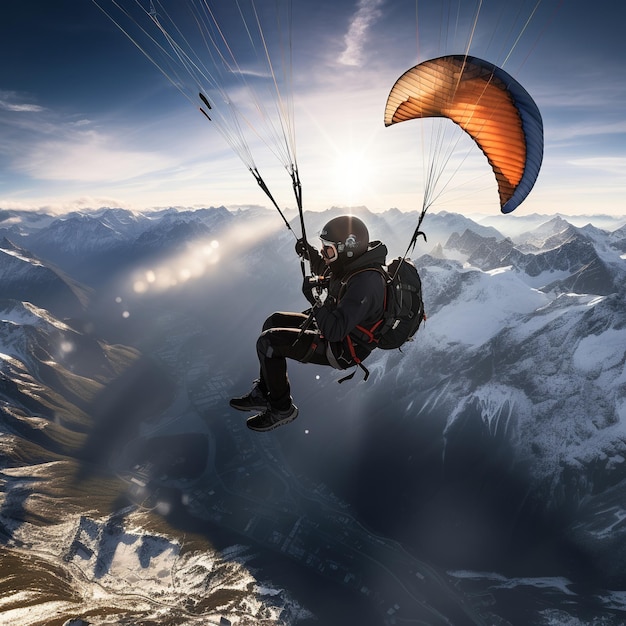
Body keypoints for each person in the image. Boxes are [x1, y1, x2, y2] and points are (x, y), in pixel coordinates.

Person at [229, 215, 388, 432]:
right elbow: (327, 270)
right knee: (273, 321)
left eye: (328, 249)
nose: (324, 253)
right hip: (335, 328)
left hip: (343, 349)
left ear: (346, 249)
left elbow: (334, 332)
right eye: (323, 248)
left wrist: (315, 300)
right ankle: (265, 392)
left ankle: (281, 408)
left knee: (269, 343)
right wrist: (309, 252)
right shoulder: (351, 266)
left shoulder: (366, 284)